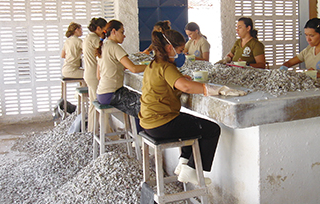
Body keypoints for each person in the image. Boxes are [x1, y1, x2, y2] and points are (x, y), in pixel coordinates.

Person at [139, 29, 246, 185]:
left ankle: (183, 164)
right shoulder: (166, 67)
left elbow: (168, 84)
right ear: (170, 48)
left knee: (189, 124)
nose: (182, 54)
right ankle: (192, 170)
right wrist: (214, 89)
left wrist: (181, 79)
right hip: (161, 124)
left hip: (149, 122)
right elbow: (186, 88)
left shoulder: (153, 65)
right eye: (180, 50)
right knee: (211, 129)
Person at [96, 20, 146, 125]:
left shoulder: (103, 46)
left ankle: (137, 134)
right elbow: (134, 69)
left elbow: (98, 76)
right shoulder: (114, 47)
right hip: (111, 94)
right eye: (122, 32)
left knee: (138, 99)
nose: (124, 36)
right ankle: (139, 137)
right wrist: (152, 65)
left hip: (102, 93)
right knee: (144, 104)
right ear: (113, 32)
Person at [83, 17, 107, 133]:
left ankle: (93, 130)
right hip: (93, 74)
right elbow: (105, 50)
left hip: (89, 73)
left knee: (93, 102)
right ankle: (94, 131)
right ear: (98, 28)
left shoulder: (88, 38)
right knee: (95, 104)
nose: (105, 32)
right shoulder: (94, 39)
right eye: (104, 30)